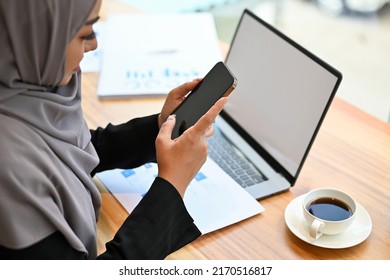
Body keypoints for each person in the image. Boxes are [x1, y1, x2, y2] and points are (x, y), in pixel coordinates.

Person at [0, 0, 227, 259]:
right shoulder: (9, 172)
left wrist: (160, 127)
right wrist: (171, 185)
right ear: (34, 38)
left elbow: (69, 151)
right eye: (84, 32)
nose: (93, 44)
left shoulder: (22, 92)